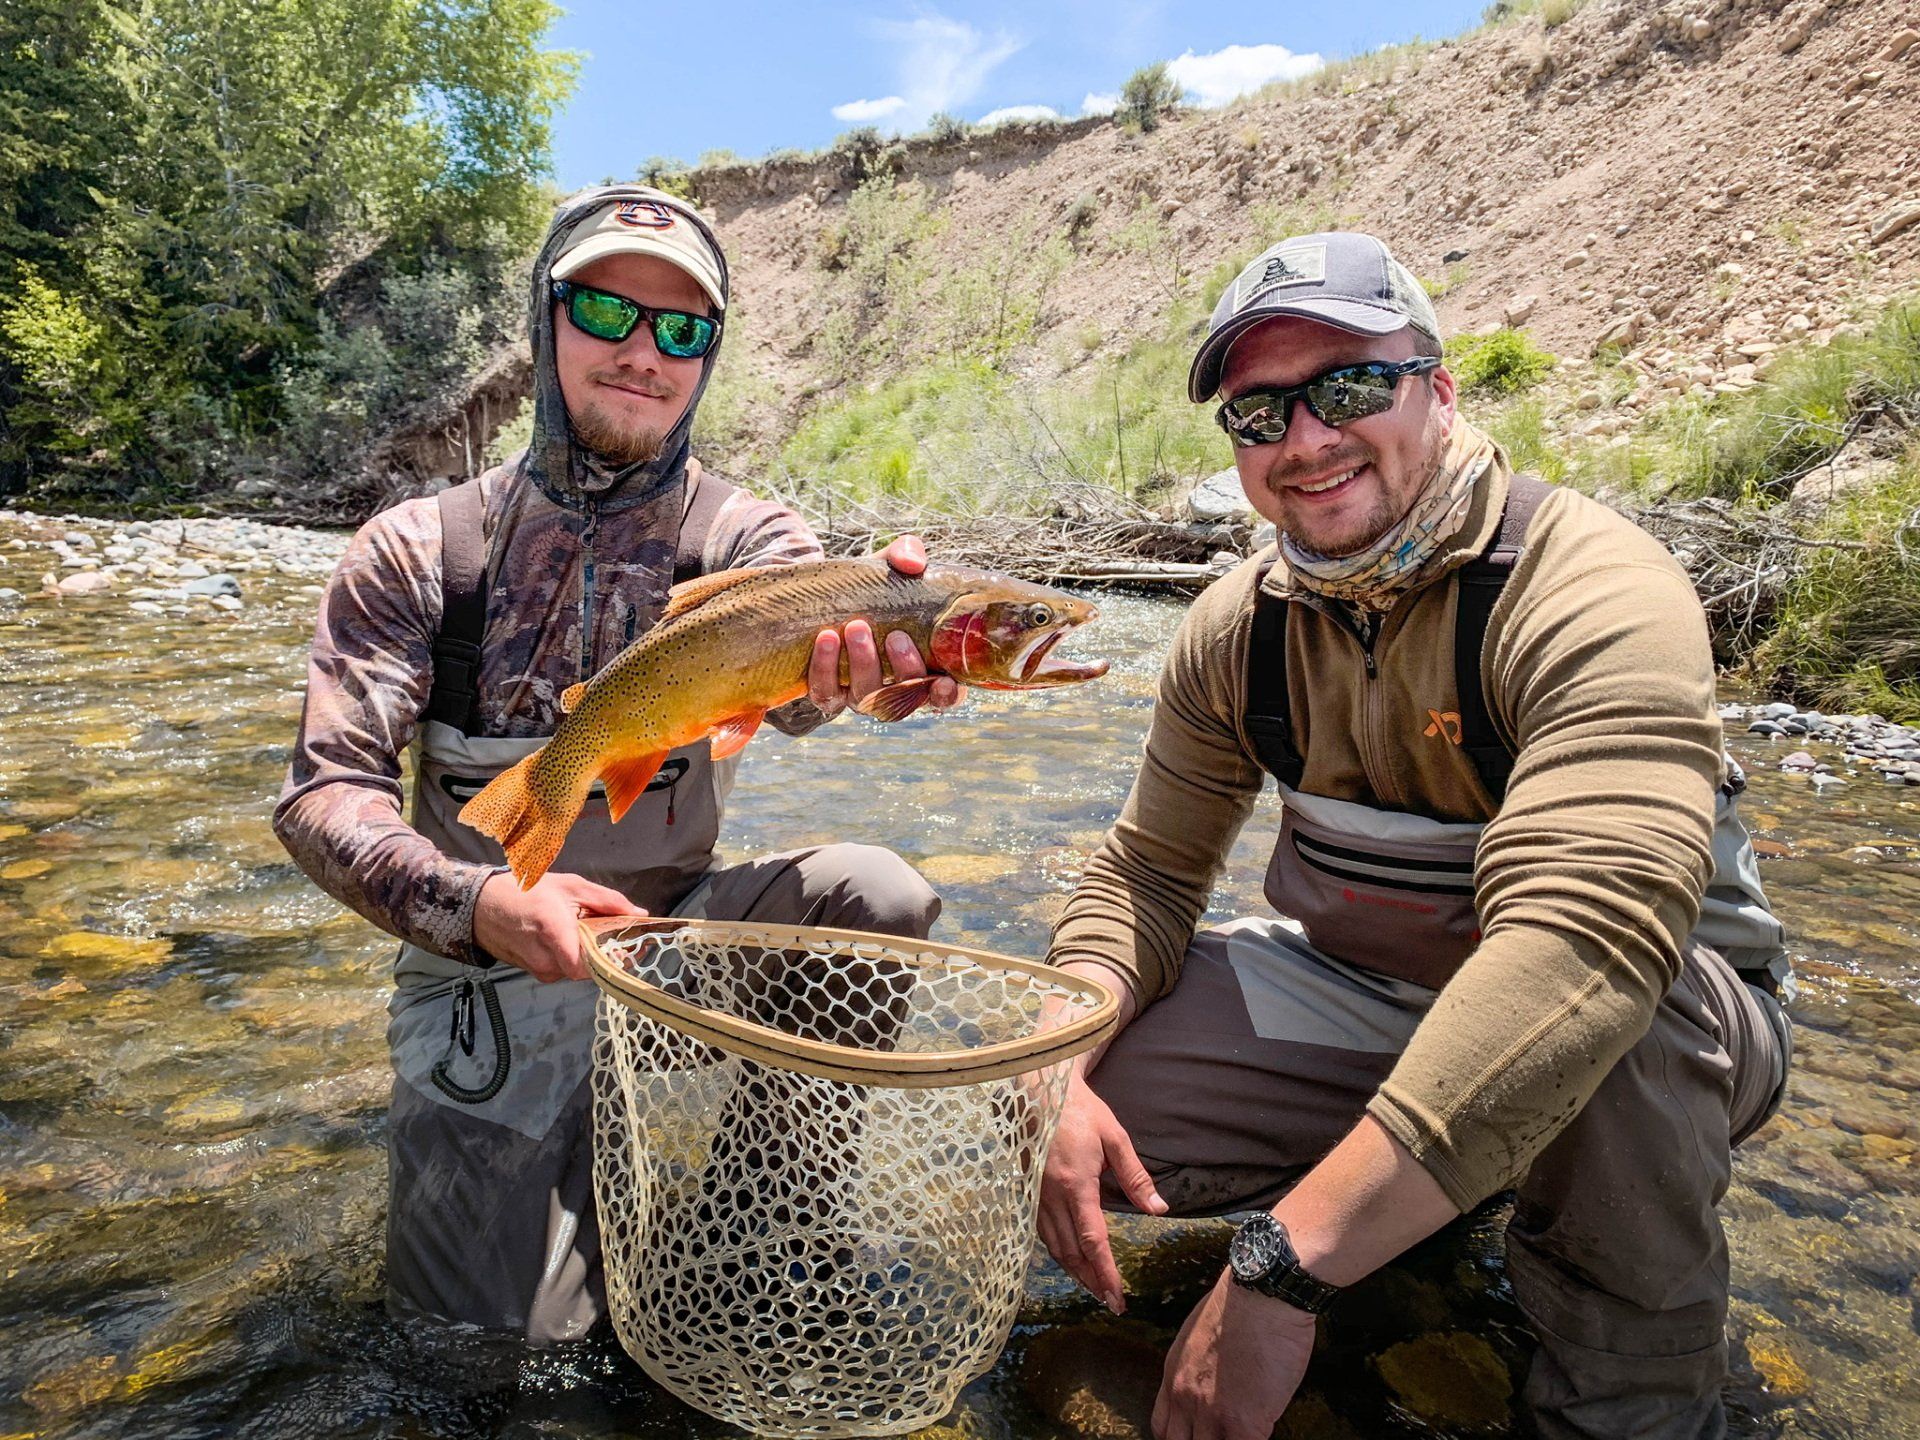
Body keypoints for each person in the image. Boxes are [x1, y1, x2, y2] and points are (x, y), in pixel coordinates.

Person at [1040, 231, 1792, 1440]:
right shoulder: (1238, 625)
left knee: (1615, 1026)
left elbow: (1585, 941)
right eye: (1258, 414)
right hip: (1371, 992)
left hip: (1663, 1017)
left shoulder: (1592, 583)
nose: (1306, 440)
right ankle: (1416, 1194)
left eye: (1349, 387)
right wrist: (1053, 1056)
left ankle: (1629, 1396)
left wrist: (1281, 1269)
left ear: (1439, 389)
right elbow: (1150, 869)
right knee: (1076, 1115)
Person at [273, 184, 960, 1342]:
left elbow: (799, 702)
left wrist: (887, 659)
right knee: (495, 1357)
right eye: (606, 311)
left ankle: (756, 1231)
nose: (644, 352)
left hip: (674, 941)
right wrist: (479, 899)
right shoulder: (417, 552)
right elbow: (320, 796)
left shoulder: (750, 544)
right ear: (544, 323)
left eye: (683, 329)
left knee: (873, 895)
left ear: (708, 358)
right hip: (489, 955)